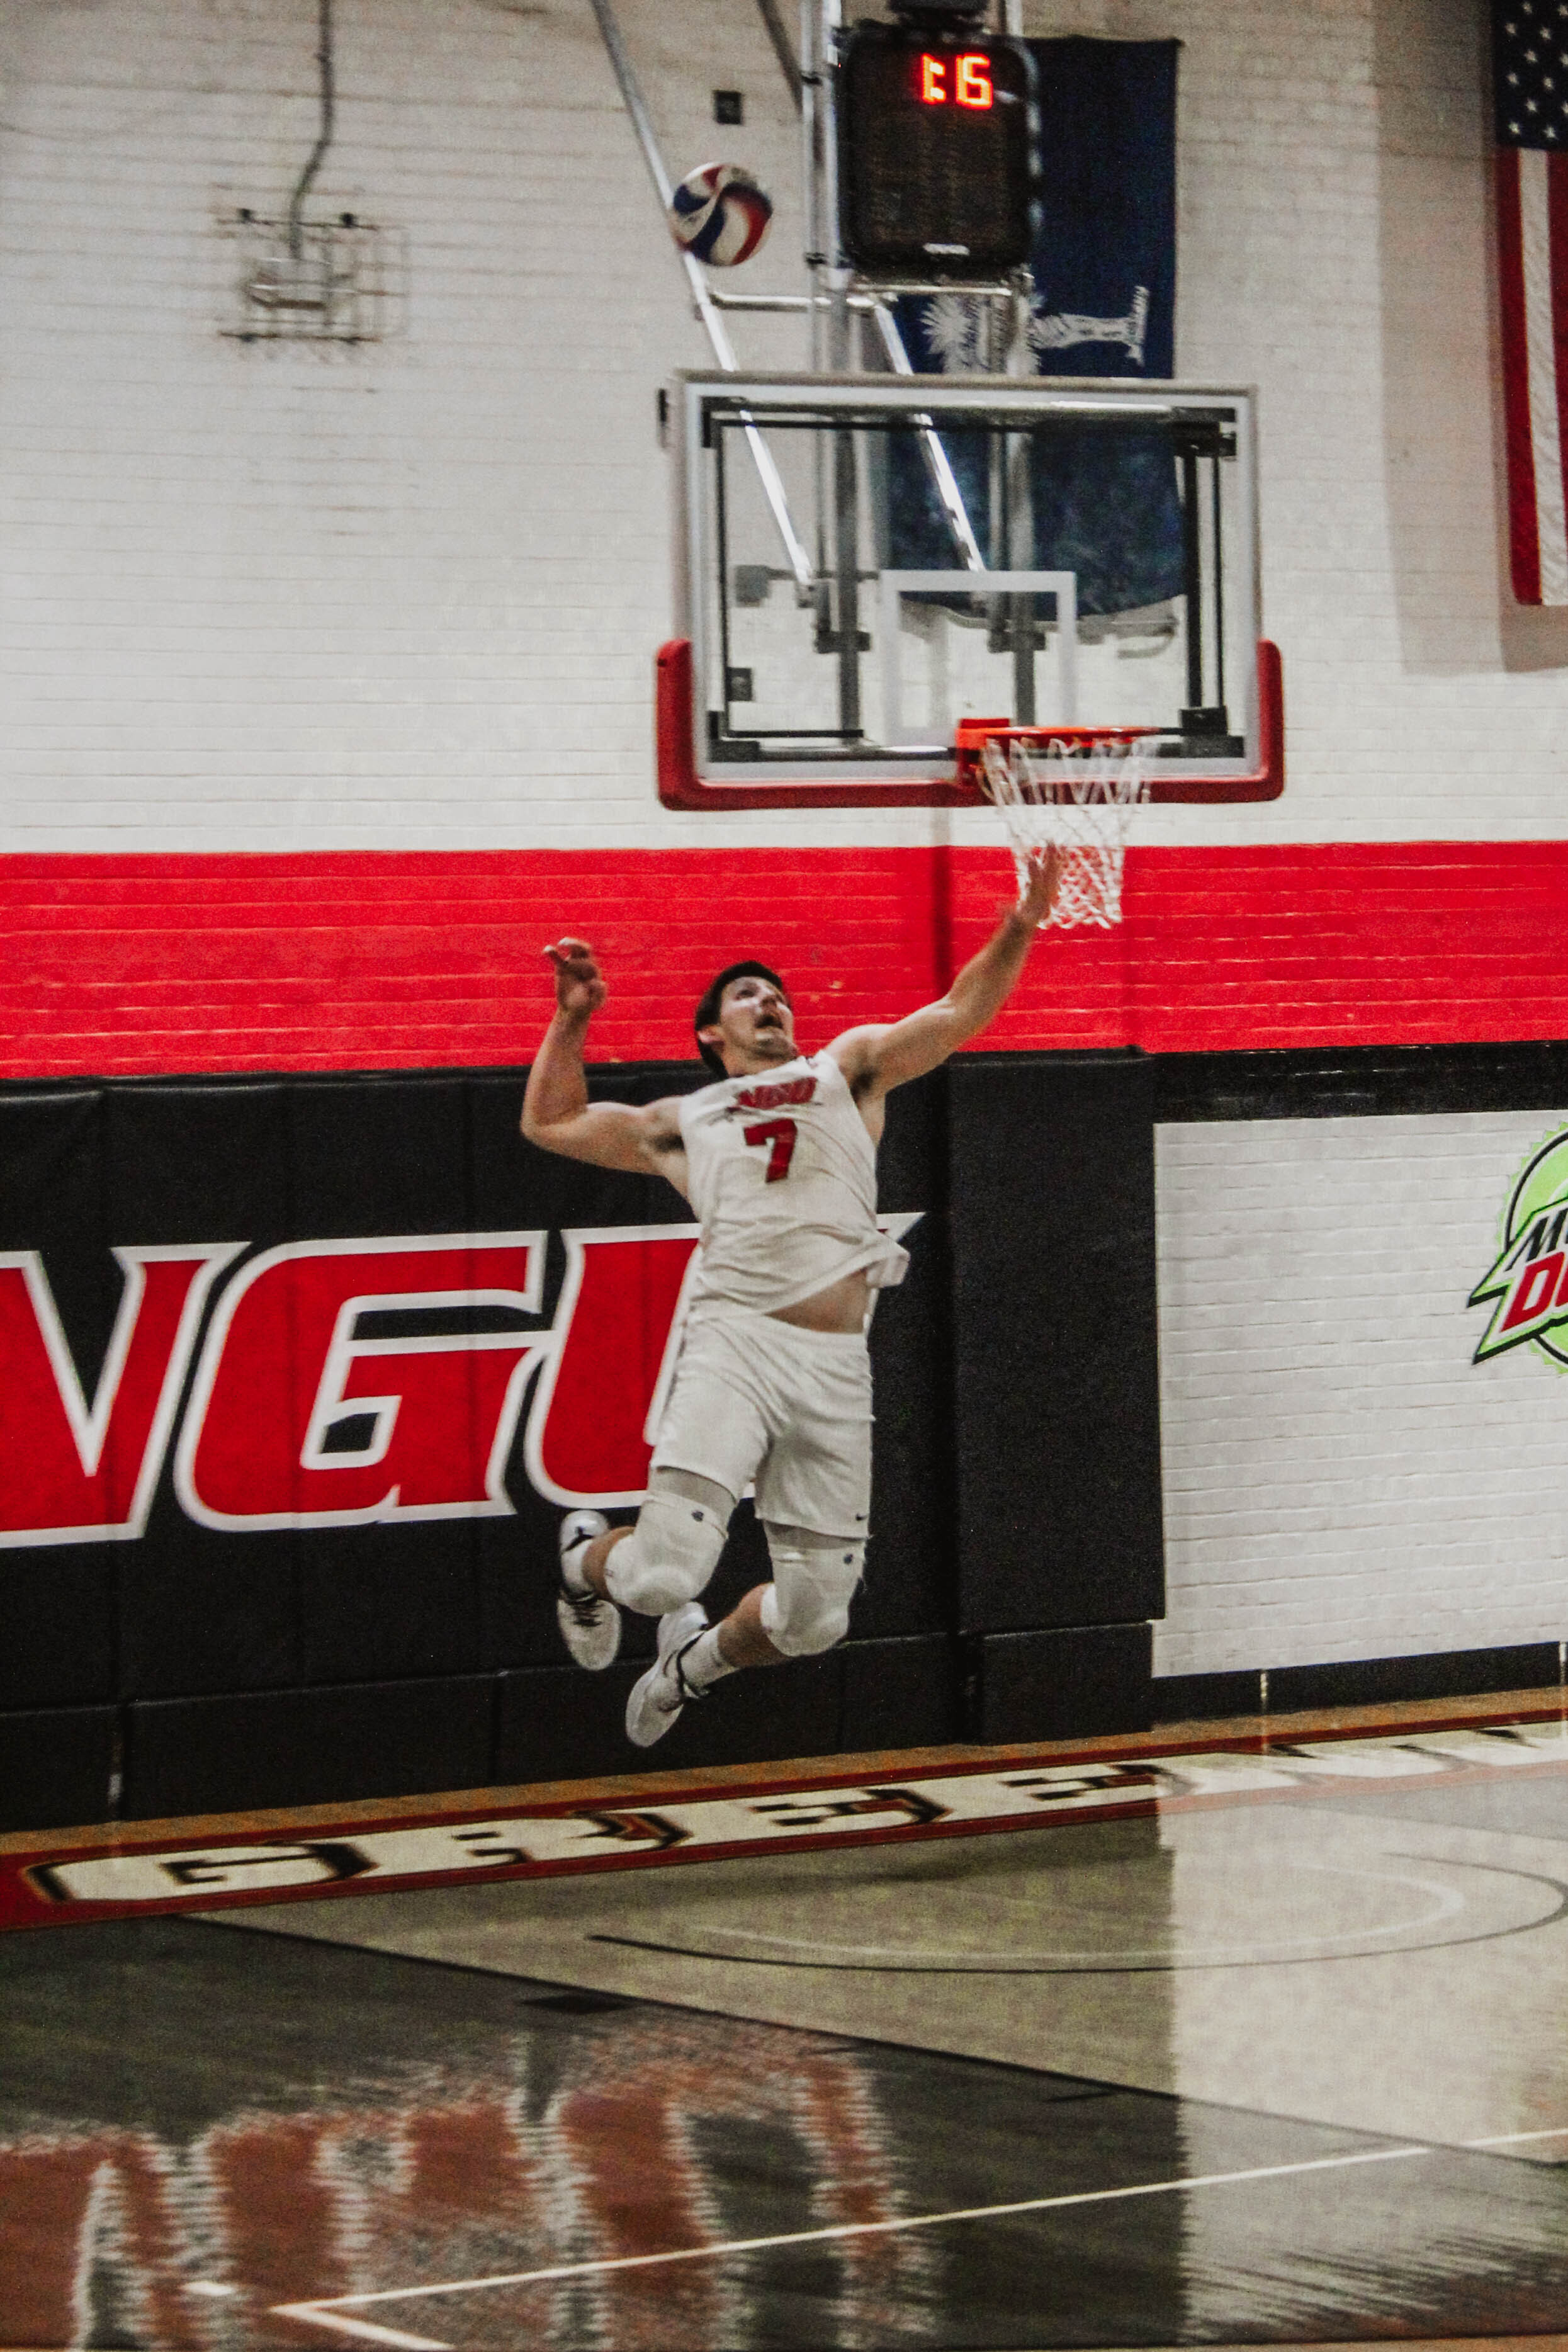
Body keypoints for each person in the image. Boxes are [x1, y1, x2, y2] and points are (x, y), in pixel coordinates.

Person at [520, 847, 1063, 1747]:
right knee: (659, 1578)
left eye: (778, 993)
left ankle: (693, 1666)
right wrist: (573, 1017)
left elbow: (962, 1011)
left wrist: (1021, 921)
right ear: (712, 1037)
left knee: (815, 1622)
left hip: (832, 1367)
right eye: (747, 995)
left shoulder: (845, 1070)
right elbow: (551, 1120)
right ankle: (583, 1559)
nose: (770, 1001)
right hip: (736, 1350)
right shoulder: (683, 1122)